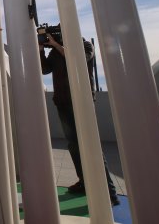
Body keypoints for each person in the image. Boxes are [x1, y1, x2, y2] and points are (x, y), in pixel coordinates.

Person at [39, 32, 120, 206]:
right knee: (74, 144)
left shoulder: (85, 46)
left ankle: (110, 193)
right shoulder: (54, 51)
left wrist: (55, 45)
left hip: (81, 101)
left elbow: (78, 60)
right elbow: (45, 69)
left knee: (90, 144)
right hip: (62, 102)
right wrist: (40, 51)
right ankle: (84, 181)